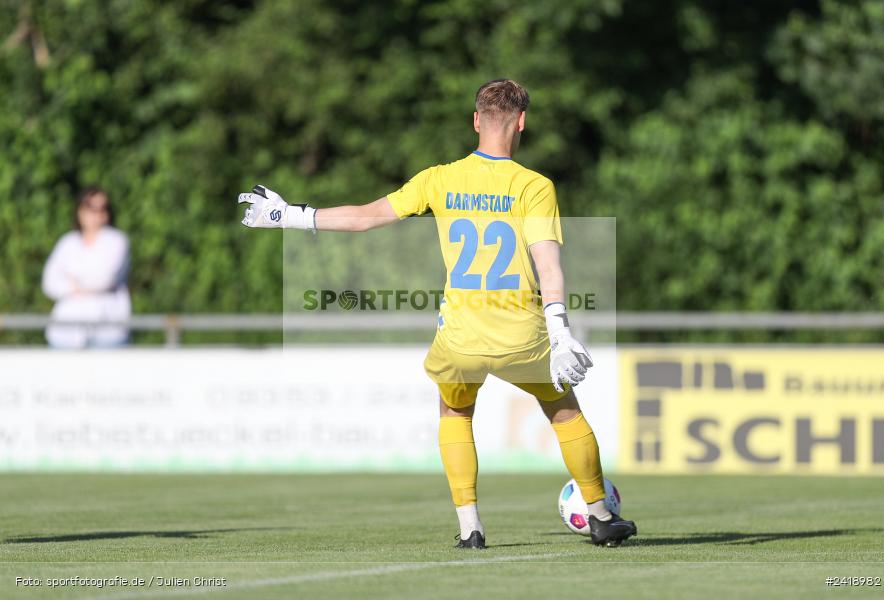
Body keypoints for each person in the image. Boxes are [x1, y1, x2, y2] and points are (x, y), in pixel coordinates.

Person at [238, 79, 637, 548]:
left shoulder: (438, 179)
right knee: (564, 411)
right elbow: (549, 265)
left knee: (454, 409)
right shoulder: (535, 186)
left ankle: (470, 528)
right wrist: (559, 330)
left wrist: (291, 216)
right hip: (522, 332)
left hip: (462, 335)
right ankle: (599, 516)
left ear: (475, 121)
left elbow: (366, 218)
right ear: (523, 122)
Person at [42, 186, 131, 349]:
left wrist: (72, 281)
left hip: (107, 332)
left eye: (101, 208)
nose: (96, 214)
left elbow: (104, 278)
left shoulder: (116, 241)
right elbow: (49, 282)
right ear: (79, 210)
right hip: (66, 333)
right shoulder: (68, 242)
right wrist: (83, 284)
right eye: (90, 207)